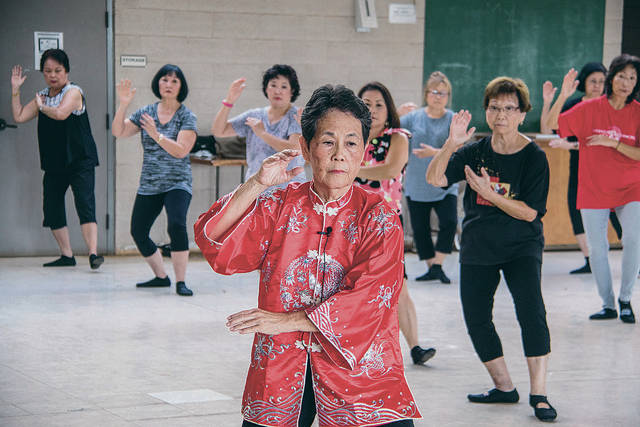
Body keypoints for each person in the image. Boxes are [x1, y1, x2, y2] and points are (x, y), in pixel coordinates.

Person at [195, 85, 420, 427]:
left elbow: (371, 298)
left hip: (359, 370)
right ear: (305, 147)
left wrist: (284, 321)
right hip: (282, 364)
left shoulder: (379, 216)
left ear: (364, 149)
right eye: (328, 141)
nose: (340, 154)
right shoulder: (279, 204)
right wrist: (257, 183)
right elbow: (217, 244)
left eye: (351, 143)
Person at [426, 77, 556, 422]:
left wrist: (492, 193)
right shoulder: (475, 150)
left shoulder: (533, 158)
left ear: (522, 113)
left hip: (521, 246)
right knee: (476, 318)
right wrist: (450, 145)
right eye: (494, 108)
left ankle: (539, 395)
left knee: (531, 313)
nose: (501, 115)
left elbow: (530, 212)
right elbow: (435, 179)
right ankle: (504, 387)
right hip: (478, 245)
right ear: (487, 111)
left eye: (509, 108)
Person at [547, 54, 640, 324]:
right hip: (594, 187)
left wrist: (614, 144)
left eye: (632, 78)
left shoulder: (637, 112)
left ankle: (625, 299)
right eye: (622, 76)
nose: (626, 83)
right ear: (612, 77)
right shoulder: (590, 108)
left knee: (633, 240)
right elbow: (553, 125)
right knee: (597, 248)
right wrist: (562, 95)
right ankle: (608, 304)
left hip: (631, 186)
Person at [355, 81, 436, 365]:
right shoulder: (350, 136)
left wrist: (351, 169)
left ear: (389, 109)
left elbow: (390, 169)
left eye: (379, 104)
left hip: (386, 221)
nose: (373, 110)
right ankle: (353, 347)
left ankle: (415, 347)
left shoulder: (397, 137)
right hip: (350, 222)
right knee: (351, 285)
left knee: (397, 285)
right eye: (366, 104)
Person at [10, 49, 104, 269]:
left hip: (80, 159)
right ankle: (67, 255)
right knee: (52, 206)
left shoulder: (74, 92)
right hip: (55, 162)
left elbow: (61, 114)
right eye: (47, 71)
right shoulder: (42, 95)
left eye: (57, 70)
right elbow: (19, 116)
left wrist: (42, 107)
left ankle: (93, 254)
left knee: (84, 203)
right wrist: (15, 90)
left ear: (66, 71)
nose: (52, 75)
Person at [111, 64, 197, 296]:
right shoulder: (146, 113)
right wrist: (124, 104)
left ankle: (181, 281)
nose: (168, 85)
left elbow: (181, 150)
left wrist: (156, 135)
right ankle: (161, 277)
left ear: (181, 87)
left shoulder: (186, 116)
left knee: (176, 224)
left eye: (174, 81)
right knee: (138, 230)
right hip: (150, 183)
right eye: (164, 80)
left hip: (178, 182)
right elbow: (118, 132)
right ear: (158, 83)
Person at [541, 62, 622, 274]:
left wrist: (573, 145)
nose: (597, 86)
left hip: (608, 170)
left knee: (617, 213)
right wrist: (548, 102)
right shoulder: (575, 105)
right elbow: (548, 128)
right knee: (576, 210)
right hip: (579, 167)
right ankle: (589, 261)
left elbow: (604, 139)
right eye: (592, 81)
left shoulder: (611, 106)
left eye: (602, 82)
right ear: (584, 82)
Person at [401, 71, 458, 284]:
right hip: (417, 183)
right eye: (434, 92)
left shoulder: (452, 119)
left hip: (444, 183)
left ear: (448, 96)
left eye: (443, 93)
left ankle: (439, 264)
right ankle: (432, 267)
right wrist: (397, 112)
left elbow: (458, 149)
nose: (438, 96)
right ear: (426, 94)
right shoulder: (414, 118)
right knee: (420, 229)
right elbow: (392, 127)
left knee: (450, 222)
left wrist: (435, 152)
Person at [211, 64, 305, 187]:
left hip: (289, 190)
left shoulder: (296, 116)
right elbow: (218, 131)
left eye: (284, 86)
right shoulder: (254, 115)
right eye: (273, 85)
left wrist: (262, 133)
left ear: (292, 91)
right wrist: (229, 101)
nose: (278, 91)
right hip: (255, 189)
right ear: (266, 89)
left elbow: (295, 149)